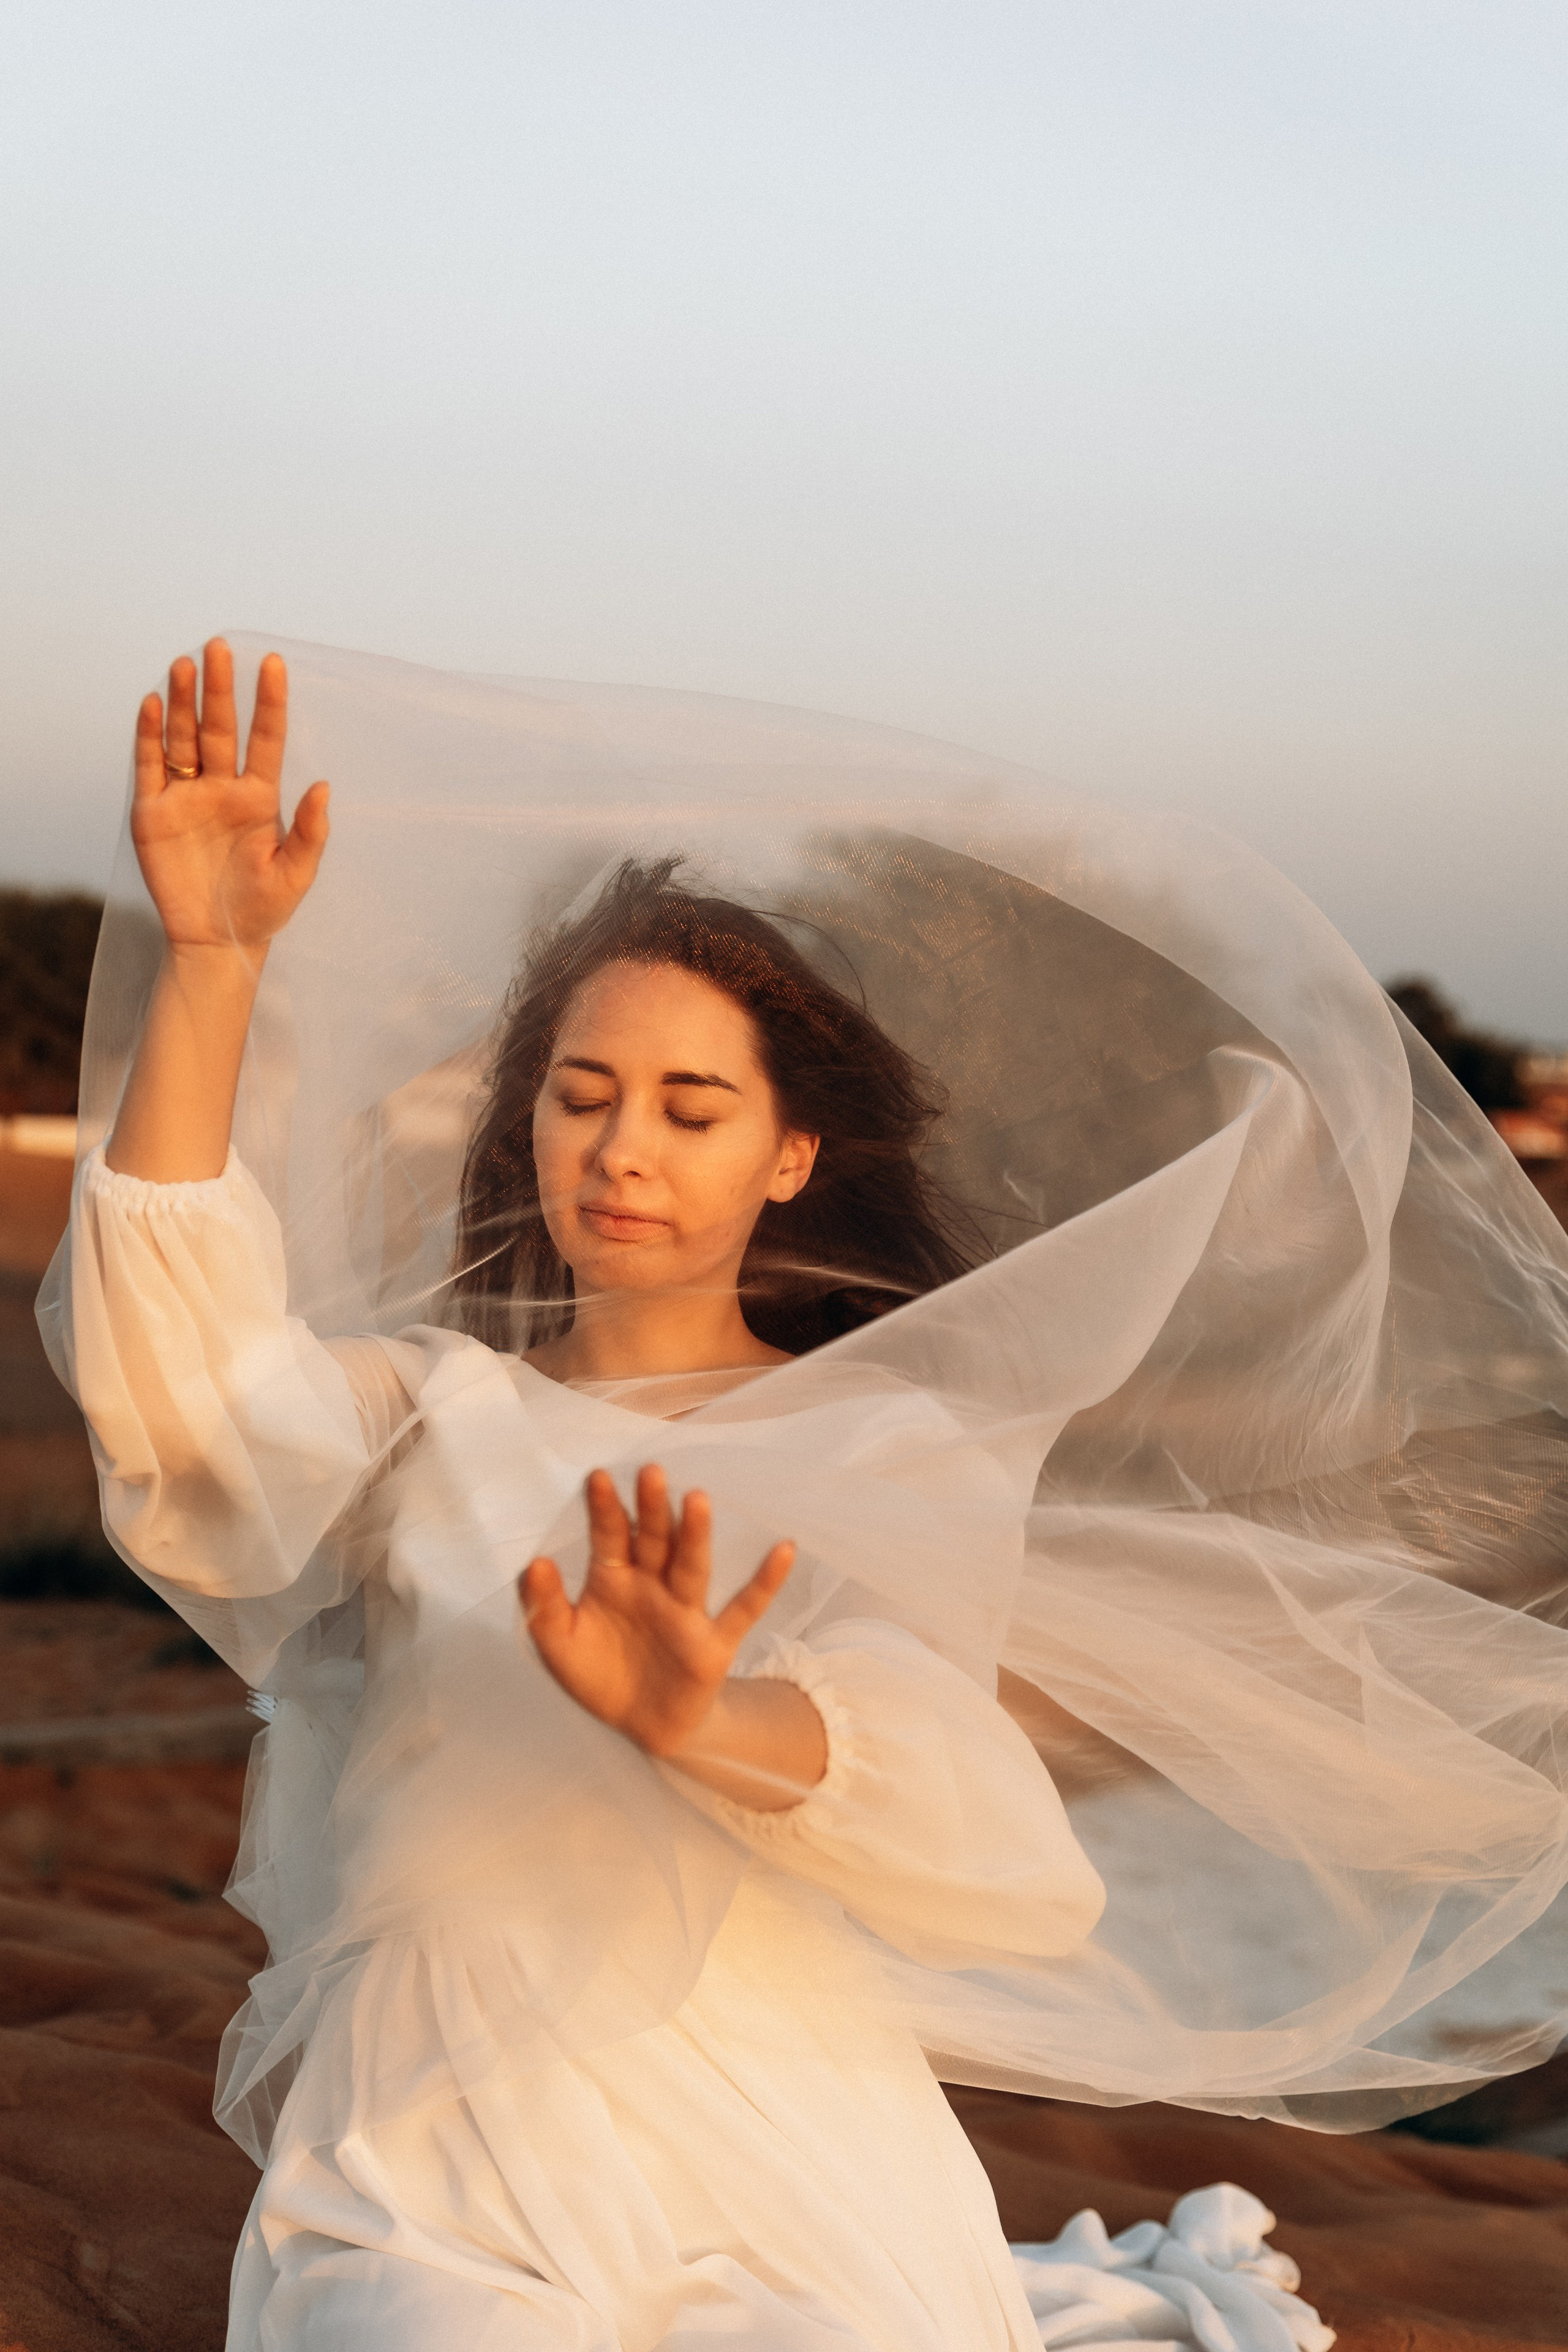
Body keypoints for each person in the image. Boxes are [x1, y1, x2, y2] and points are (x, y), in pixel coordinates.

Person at [43, 639, 1568, 2350]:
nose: (624, 1149)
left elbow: (977, 1821)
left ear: (787, 1157)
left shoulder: (877, 1443)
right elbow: (190, 1412)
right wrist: (214, 970)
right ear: (529, 1125)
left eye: (693, 1110)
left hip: (764, 2126)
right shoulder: (424, 1415)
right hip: (431, 2133)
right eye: (583, 1094)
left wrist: (706, 1715)